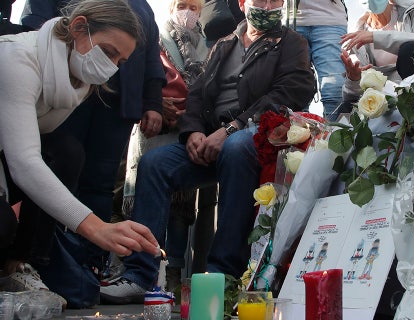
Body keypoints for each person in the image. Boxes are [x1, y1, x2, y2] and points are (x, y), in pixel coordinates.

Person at [99, 0, 316, 304]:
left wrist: (231, 129)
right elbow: (199, 94)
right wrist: (193, 133)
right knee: (154, 164)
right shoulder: (224, 44)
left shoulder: (292, 43)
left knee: (238, 148)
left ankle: (223, 275)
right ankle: (139, 274)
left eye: (274, 0)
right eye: (259, 0)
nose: (267, 5)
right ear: (242, 4)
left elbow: (292, 90)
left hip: (253, 136)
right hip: (210, 139)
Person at [0, 0, 158, 304]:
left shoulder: (77, 80)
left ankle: (23, 262)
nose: (111, 66)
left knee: (67, 152)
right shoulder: (17, 58)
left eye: (121, 62)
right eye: (109, 51)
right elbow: (24, 162)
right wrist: (96, 228)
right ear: (78, 27)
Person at [116, 0, 214, 294]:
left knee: (181, 208)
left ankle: (172, 272)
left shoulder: (210, 46)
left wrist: (194, 115)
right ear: (172, 8)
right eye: (182, 5)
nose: (188, 12)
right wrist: (156, 103)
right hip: (158, 124)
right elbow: (146, 73)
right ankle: (138, 270)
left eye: (194, 7)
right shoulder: (155, 37)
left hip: (190, 127)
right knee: (151, 186)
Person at [339, 0, 414, 107]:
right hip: (385, 103)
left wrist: (376, 37)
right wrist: (354, 79)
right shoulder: (355, 37)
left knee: (408, 49)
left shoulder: (412, 11)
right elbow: (351, 97)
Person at [288, 0, 348, 121]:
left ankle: (333, 137)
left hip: (330, 19)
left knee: (334, 90)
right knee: (294, 91)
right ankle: (300, 135)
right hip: (288, 18)